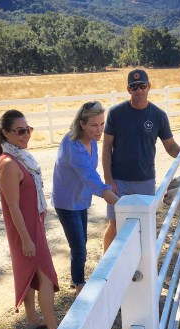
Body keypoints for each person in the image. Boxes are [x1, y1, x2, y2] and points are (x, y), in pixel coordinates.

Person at [102, 68, 180, 251]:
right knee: (115, 224)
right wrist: (108, 179)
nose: (139, 91)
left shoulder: (158, 116)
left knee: (144, 224)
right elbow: (106, 147)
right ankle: (107, 269)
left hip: (145, 180)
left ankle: (141, 266)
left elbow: (170, 146)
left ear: (149, 87)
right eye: (134, 87)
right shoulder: (116, 113)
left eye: (142, 86)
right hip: (119, 181)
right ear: (128, 90)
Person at [0, 110, 59, 329]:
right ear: (5, 133)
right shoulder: (10, 163)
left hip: (33, 224)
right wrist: (27, 239)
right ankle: (53, 328)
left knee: (31, 274)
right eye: (20, 131)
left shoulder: (20, 157)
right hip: (25, 229)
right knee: (47, 278)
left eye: (28, 129)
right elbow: (12, 207)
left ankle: (32, 320)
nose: (26, 135)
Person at [52, 101, 119, 296]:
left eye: (101, 124)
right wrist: (120, 202)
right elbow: (92, 180)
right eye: (94, 125)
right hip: (67, 202)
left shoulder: (92, 142)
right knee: (79, 246)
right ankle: (79, 285)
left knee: (81, 242)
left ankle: (76, 279)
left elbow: (91, 176)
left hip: (80, 199)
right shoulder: (73, 146)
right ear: (82, 124)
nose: (99, 130)